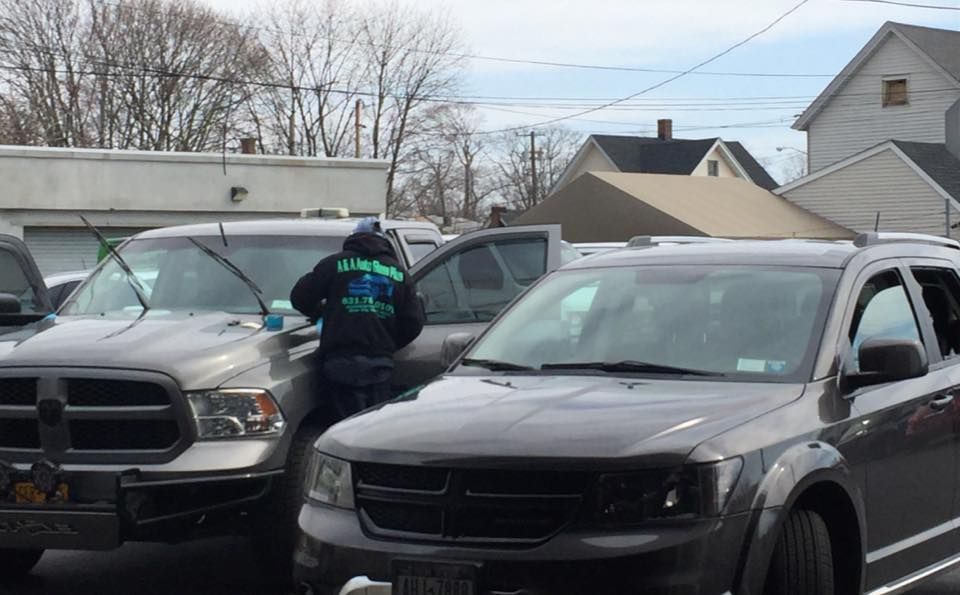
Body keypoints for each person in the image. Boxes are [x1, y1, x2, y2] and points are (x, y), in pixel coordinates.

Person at [290, 217, 424, 418]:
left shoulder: (333, 264)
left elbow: (300, 298)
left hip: (339, 362)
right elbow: (413, 322)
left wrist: (325, 313)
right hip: (379, 365)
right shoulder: (398, 272)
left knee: (339, 427)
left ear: (353, 237)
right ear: (384, 241)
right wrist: (386, 342)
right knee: (372, 426)